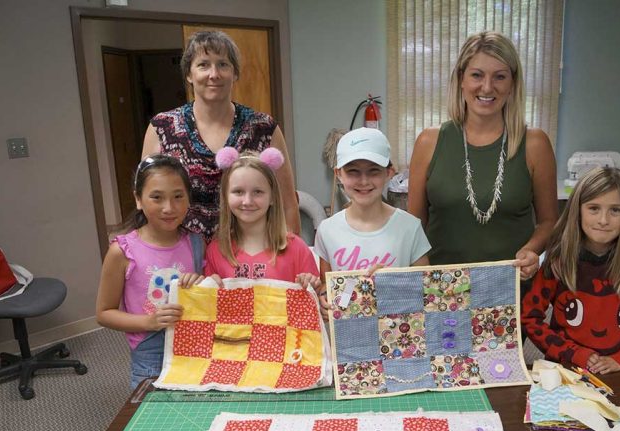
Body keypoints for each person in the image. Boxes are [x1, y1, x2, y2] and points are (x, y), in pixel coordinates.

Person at [407, 31, 557, 279]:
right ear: (461, 79)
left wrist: (532, 250)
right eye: (477, 75)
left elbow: (549, 222)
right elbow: (413, 228)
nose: (487, 87)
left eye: (500, 77)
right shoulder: (429, 142)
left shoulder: (534, 144)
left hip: (511, 289)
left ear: (512, 84)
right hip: (442, 293)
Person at [141, 30, 300, 241]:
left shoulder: (263, 127)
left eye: (223, 64)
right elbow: (148, 199)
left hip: (250, 256)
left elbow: (287, 204)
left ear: (235, 73)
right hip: (185, 255)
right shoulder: (163, 127)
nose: (213, 74)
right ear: (189, 74)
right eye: (203, 65)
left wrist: (288, 255)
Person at [521, 167, 620, 374]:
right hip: (566, 369)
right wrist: (572, 353)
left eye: (615, 210)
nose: (603, 220)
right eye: (593, 208)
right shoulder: (558, 260)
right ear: (578, 210)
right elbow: (530, 317)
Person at [96, 155, 206, 389]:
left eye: (178, 197)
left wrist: (201, 283)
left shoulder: (197, 244)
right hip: (149, 359)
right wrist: (149, 321)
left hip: (195, 350)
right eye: (157, 197)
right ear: (139, 199)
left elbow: (207, 299)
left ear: (188, 199)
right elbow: (104, 313)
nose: (169, 207)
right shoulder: (122, 251)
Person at [314, 127, 431, 275]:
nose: (364, 181)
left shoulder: (410, 228)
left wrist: (395, 282)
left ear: (389, 173)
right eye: (353, 171)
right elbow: (327, 289)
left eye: (373, 170)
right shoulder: (327, 231)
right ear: (338, 174)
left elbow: (426, 289)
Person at [205, 148, 320, 291]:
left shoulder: (297, 249)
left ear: (272, 197)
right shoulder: (216, 250)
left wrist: (311, 284)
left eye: (257, 192)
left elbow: (314, 301)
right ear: (226, 196)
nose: (247, 201)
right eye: (238, 192)